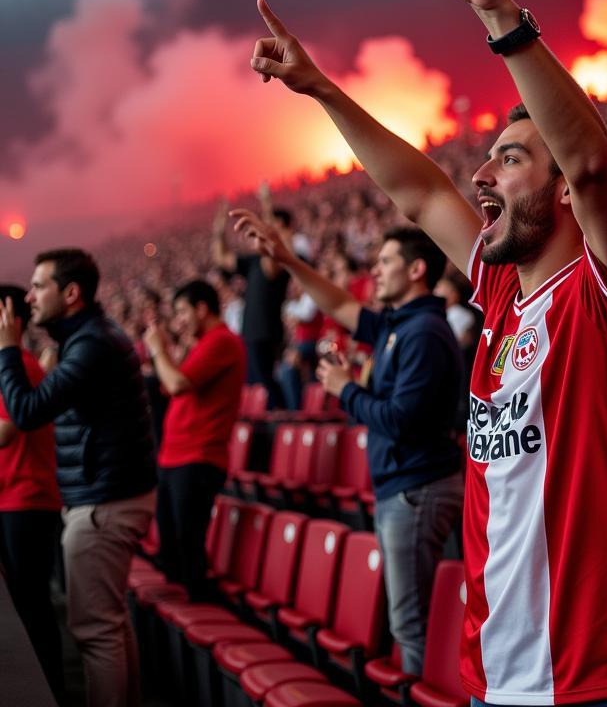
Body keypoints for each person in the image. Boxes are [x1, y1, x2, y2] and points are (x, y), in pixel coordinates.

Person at [244, 0, 607, 705]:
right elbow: (417, 191)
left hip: (599, 677)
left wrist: (496, 13)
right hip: (493, 672)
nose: (482, 177)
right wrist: (323, 91)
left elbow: (594, 165)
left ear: (557, 188)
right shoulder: (502, 296)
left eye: (510, 159)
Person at [231, 216, 463, 673]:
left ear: (416, 270)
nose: (374, 270)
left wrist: (345, 389)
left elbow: (399, 421)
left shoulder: (423, 334)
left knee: (409, 624)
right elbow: (338, 304)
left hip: (416, 486)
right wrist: (289, 260)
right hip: (404, 485)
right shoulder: (403, 324)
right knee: (406, 621)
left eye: (385, 261)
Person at [0, 248, 156, 707]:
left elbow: (25, 413)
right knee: (109, 624)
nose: (29, 297)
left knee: (95, 631)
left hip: (104, 499)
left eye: (38, 286)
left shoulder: (91, 344)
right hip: (107, 494)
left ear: (70, 294)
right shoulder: (88, 339)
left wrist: (7, 347)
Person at [142, 279, 246, 602]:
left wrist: (159, 350)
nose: (179, 321)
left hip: (198, 457)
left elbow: (176, 384)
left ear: (202, 308)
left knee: (189, 551)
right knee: (171, 550)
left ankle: (204, 620)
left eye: (182, 312)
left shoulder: (223, 341)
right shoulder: (202, 343)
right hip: (175, 457)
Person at [0, 284, 64, 701]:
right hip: (19, 498)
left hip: (26, 499)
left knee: (32, 609)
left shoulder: (17, 365)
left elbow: (8, 429)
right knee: (28, 606)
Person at [211, 193, 291, 409]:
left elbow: (271, 256)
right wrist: (219, 229)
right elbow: (222, 258)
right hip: (251, 332)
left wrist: (266, 204)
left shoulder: (282, 259)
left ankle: (282, 420)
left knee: (268, 381)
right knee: (256, 382)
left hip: (267, 331)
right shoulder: (252, 261)